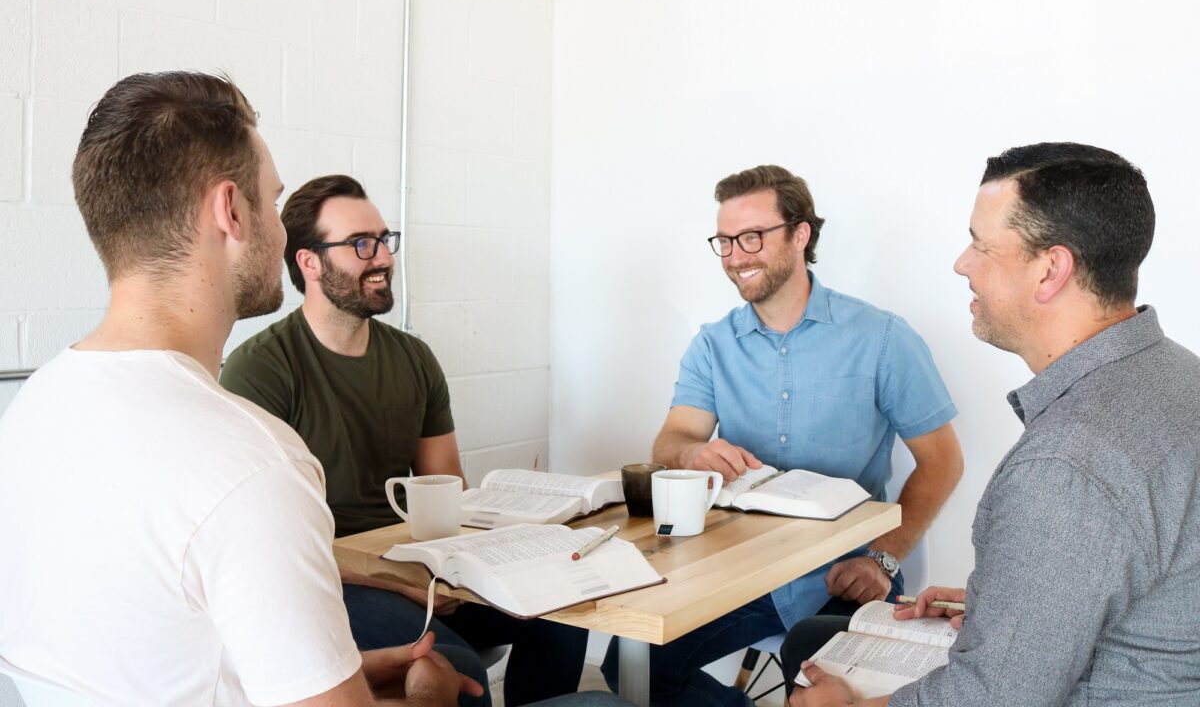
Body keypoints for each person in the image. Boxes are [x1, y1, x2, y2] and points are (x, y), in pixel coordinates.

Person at [0, 72, 483, 706]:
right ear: (231, 210)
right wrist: (429, 698)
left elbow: (167, 659)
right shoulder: (252, 462)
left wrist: (351, 675)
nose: (282, 234)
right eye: (273, 202)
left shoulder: (33, 409)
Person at [786, 142, 1200, 706]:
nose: (962, 263)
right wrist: (1009, 601)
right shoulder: (1176, 374)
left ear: (1051, 269)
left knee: (812, 669)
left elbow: (996, 697)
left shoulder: (1066, 466)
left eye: (981, 245)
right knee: (813, 636)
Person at [220, 175, 589, 707]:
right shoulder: (261, 370)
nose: (383, 258)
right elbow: (265, 544)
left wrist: (469, 561)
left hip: (417, 566)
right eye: (361, 244)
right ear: (309, 263)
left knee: (563, 608)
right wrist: (400, 582)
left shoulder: (414, 359)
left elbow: (450, 492)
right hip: (331, 578)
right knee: (452, 668)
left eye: (384, 240)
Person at [601, 165, 963, 706]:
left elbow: (942, 461)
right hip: (742, 575)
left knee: (822, 682)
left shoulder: (882, 337)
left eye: (752, 237)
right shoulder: (713, 344)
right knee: (632, 663)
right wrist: (694, 451)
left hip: (846, 575)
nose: (736, 256)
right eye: (724, 241)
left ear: (801, 235)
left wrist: (883, 559)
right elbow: (671, 440)